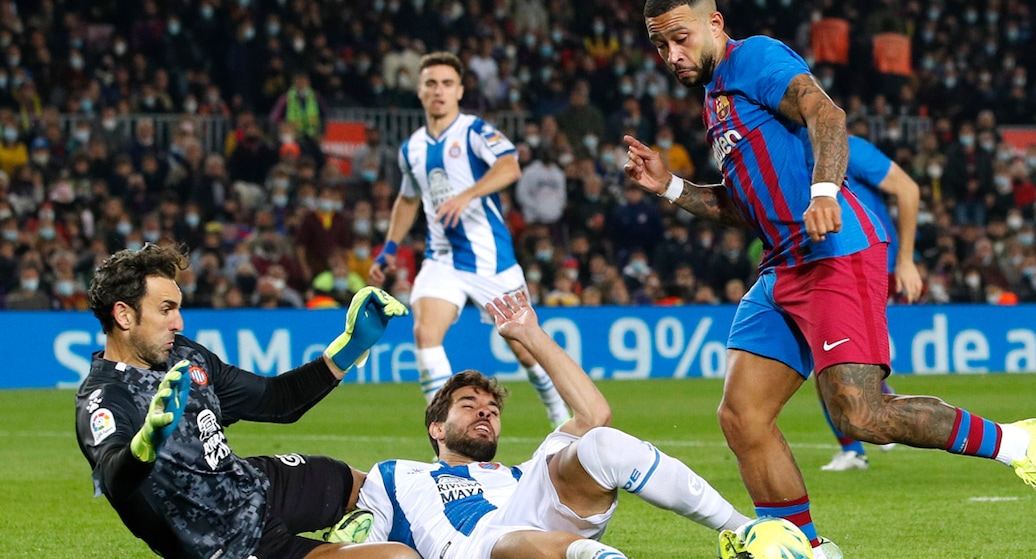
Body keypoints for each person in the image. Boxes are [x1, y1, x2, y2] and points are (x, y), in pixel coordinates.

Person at [625, 0, 1036, 555]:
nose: (671, 55)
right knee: (742, 416)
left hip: (834, 252)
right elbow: (744, 205)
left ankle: (1018, 444)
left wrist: (824, 192)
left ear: (715, 24)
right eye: (661, 46)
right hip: (783, 266)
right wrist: (670, 186)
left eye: (680, 39)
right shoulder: (715, 100)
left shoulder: (753, 58)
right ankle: (807, 549)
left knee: (860, 414)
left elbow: (826, 114)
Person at [356, 292, 767, 559]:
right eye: (469, 405)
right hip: (472, 545)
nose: (485, 413)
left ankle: (749, 533)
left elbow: (593, 415)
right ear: (437, 429)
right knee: (499, 539)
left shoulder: (521, 476)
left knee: (603, 443)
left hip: (530, 516)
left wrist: (530, 334)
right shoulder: (396, 475)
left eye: (492, 410)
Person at [75, 243, 419, 559]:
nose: (178, 322)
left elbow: (275, 400)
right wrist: (146, 442)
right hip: (226, 542)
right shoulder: (104, 398)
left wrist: (350, 348)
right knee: (398, 558)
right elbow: (114, 477)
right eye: (166, 310)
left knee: (384, 490)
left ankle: (370, 535)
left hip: (253, 485)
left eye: (178, 308)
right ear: (124, 315)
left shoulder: (185, 354)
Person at [368, 52, 568, 427]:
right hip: (441, 258)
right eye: (431, 83)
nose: (438, 91)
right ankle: (446, 432)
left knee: (526, 350)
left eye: (447, 84)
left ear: (459, 91)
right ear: (420, 90)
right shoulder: (412, 148)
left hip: (490, 258)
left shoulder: (475, 131)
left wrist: (467, 195)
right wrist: (389, 248)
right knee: (425, 332)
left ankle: (559, 416)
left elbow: (510, 166)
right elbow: (408, 199)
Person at [819, 135, 921, 471]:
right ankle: (874, 413)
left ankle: (861, 437)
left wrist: (906, 260)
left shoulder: (846, 147)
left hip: (865, 260)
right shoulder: (788, 151)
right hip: (823, 262)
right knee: (827, 354)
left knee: (825, 354)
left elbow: (907, 189)